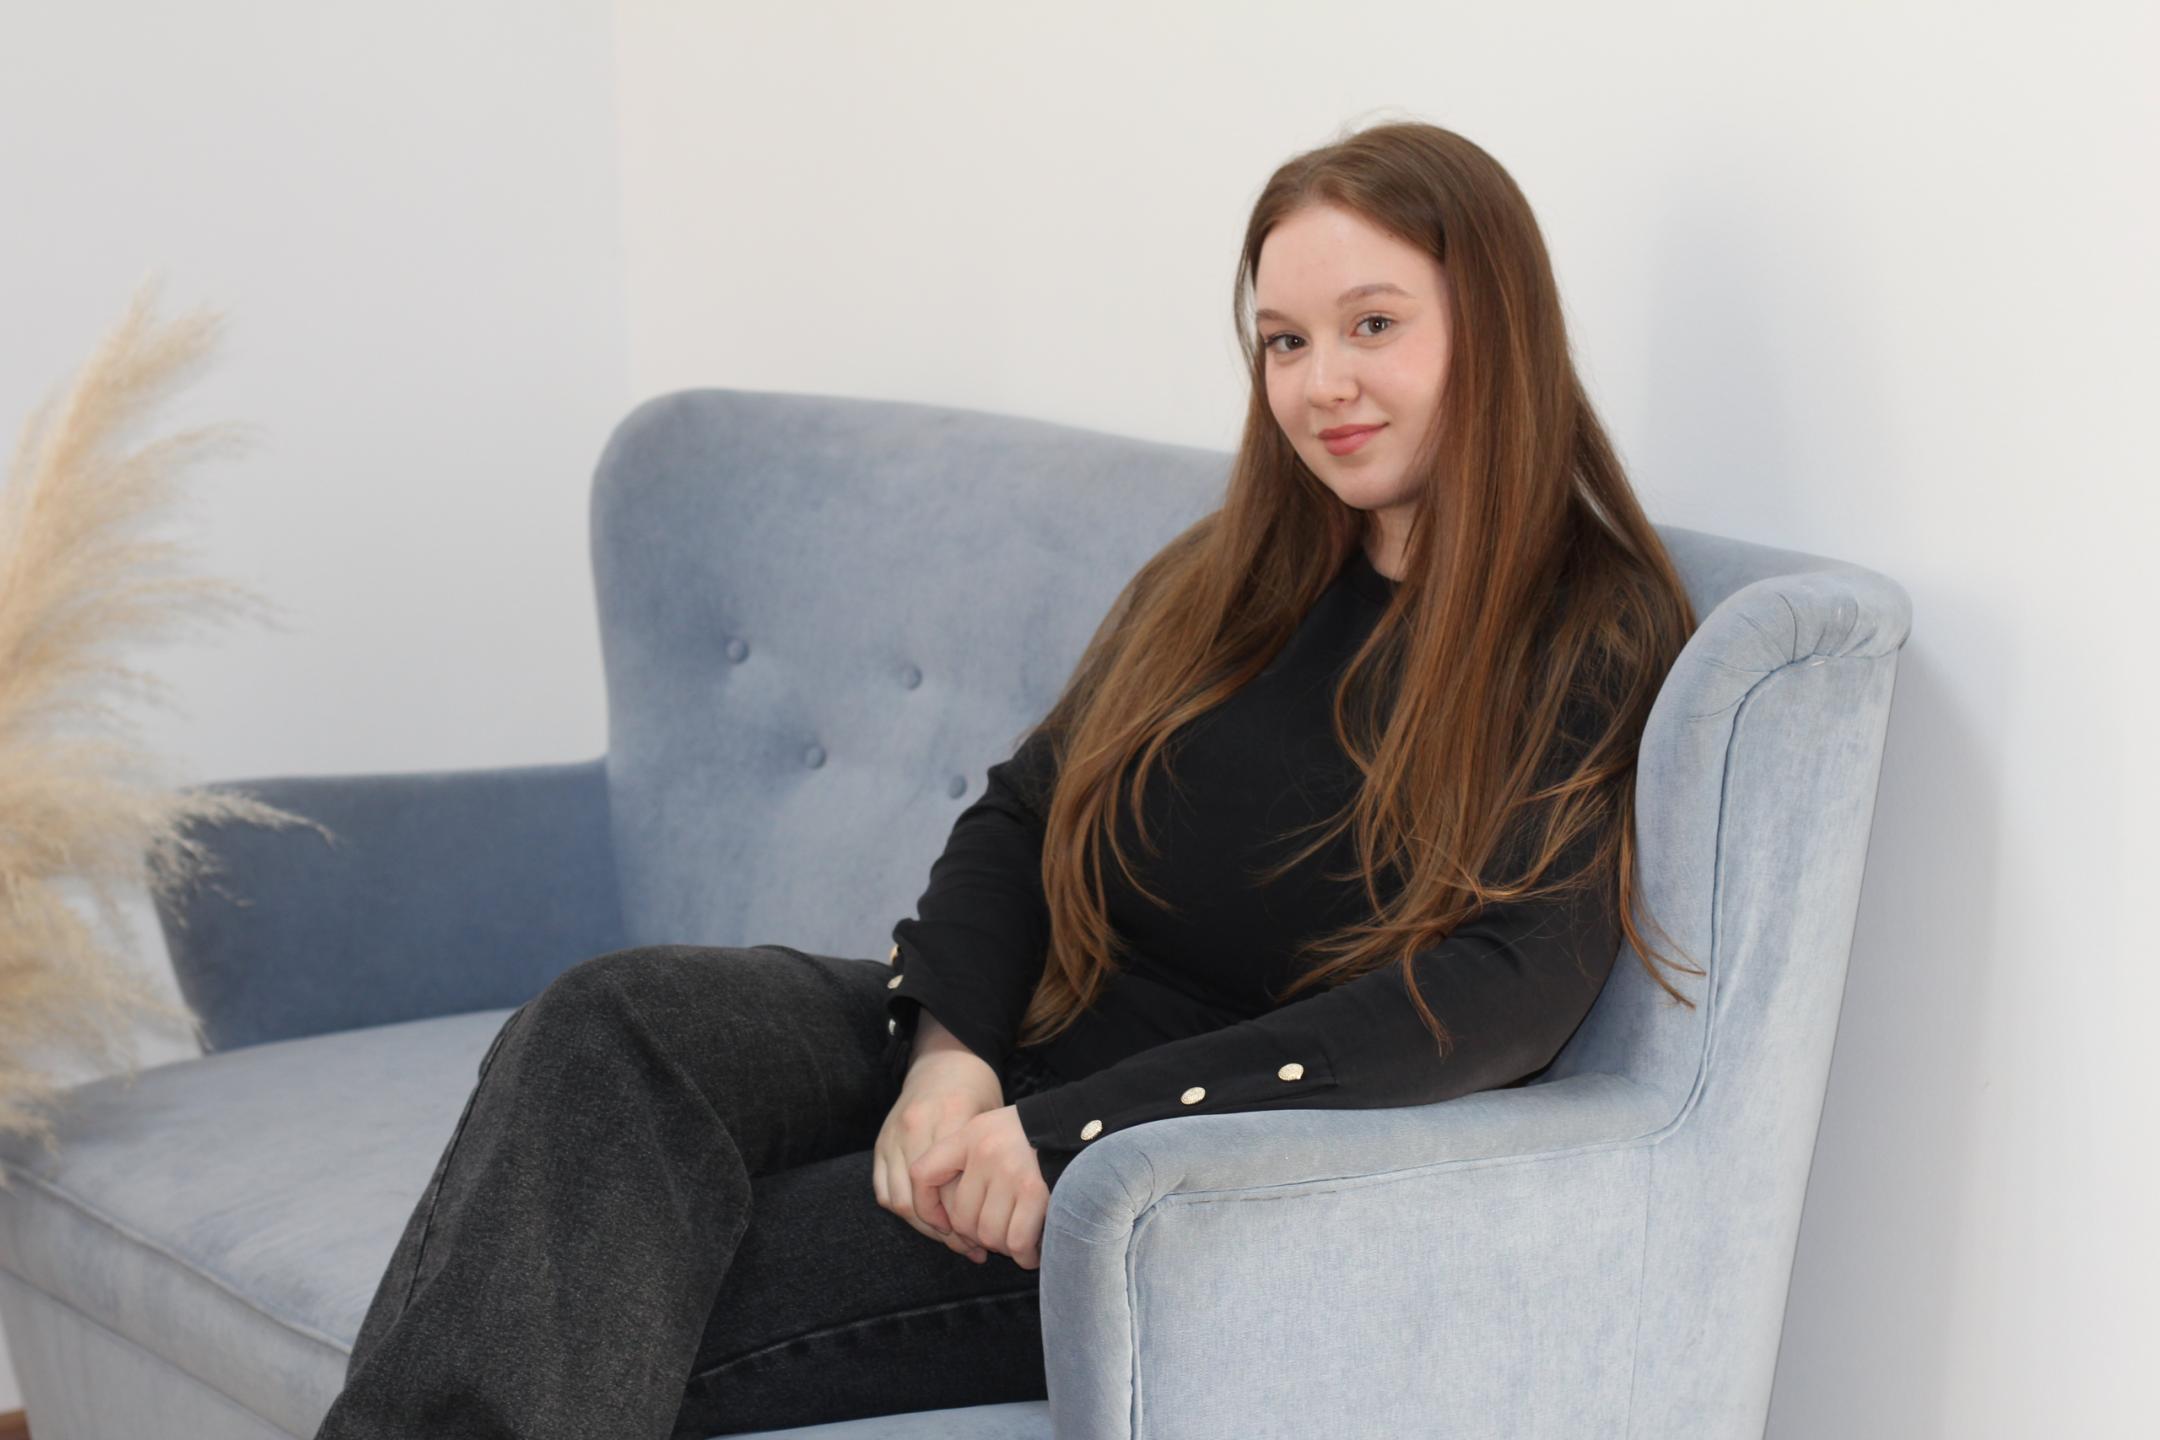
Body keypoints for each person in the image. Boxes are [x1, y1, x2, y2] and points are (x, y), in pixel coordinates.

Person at [310, 118, 1701, 1440]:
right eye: (1284, 340)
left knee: (584, 1276)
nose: (1319, 383)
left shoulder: (1594, 633)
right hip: (1011, 1051)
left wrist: (1073, 1131)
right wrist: (949, 1058)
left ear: (1495, 329)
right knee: (615, 1021)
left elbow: (1495, 996)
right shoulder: (1229, 577)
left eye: (1372, 325)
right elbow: (1026, 812)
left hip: (1143, 1186)